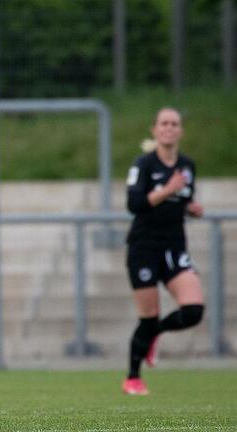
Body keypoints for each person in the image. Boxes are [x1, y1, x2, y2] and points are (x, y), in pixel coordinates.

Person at [122, 107, 205, 395]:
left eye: (174, 124)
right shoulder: (143, 165)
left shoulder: (187, 166)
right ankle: (132, 377)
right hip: (144, 246)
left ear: (180, 131)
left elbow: (183, 199)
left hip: (174, 246)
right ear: (154, 130)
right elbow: (135, 205)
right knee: (148, 317)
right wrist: (168, 190)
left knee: (193, 310)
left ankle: (155, 335)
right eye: (164, 123)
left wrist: (191, 208)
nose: (169, 128)